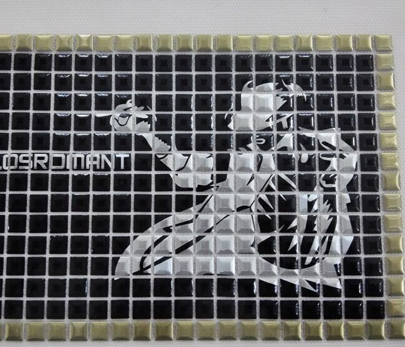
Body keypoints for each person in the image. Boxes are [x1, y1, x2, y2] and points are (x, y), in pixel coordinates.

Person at [109, 79, 358, 292]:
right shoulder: (249, 155)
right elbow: (190, 172)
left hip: (286, 272)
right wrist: (149, 132)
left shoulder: (321, 158)